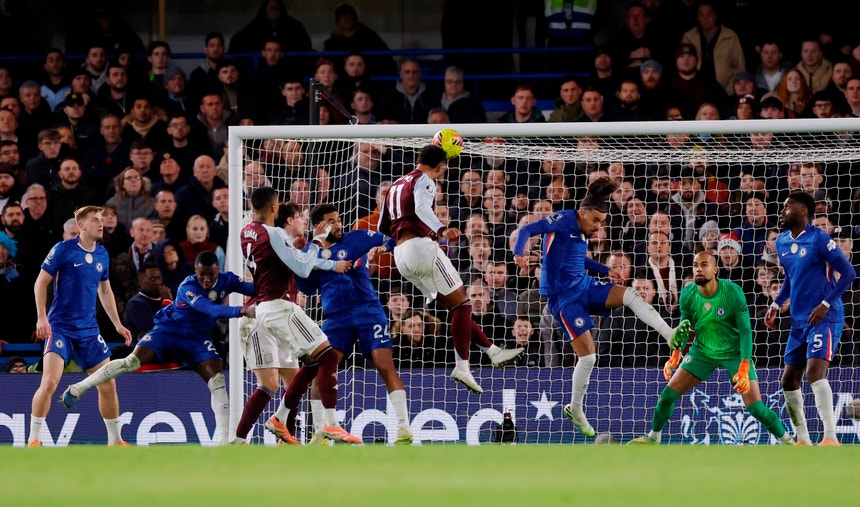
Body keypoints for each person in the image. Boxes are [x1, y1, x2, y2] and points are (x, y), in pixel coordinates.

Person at [512, 176, 690, 437]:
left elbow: (578, 259)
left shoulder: (582, 232)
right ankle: (575, 408)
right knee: (589, 357)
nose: (598, 227)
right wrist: (519, 252)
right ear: (582, 214)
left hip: (584, 286)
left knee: (630, 294)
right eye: (595, 221)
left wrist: (606, 269)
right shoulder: (562, 219)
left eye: (602, 222)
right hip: (564, 299)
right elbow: (527, 230)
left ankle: (669, 334)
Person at [60, 251, 255, 446]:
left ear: (218, 271)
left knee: (217, 380)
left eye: (210, 275)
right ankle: (78, 388)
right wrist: (242, 309)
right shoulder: (188, 286)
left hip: (197, 338)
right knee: (131, 362)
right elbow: (211, 309)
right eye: (201, 274)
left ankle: (223, 442)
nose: (205, 280)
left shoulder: (227, 279)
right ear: (195, 270)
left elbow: (253, 288)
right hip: (169, 330)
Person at [378, 145, 524, 394]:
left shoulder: (395, 186)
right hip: (421, 248)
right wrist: (442, 229)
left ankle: (493, 351)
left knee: (456, 307)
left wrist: (387, 245)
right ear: (440, 166)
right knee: (464, 305)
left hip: (401, 257)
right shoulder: (425, 180)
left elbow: (384, 224)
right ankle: (462, 366)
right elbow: (424, 209)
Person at [628, 251, 794, 446]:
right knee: (666, 396)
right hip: (702, 352)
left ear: (715, 269)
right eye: (696, 264)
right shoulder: (688, 294)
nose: (699, 268)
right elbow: (685, 328)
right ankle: (653, 437)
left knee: (756, 408)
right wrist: (676, 354)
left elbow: (746, 332)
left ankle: (787, 441)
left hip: (734, 353)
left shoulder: (732, 292)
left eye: (704, 264)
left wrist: (744, 366)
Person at [236, 189, 359, 445]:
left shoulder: (247, 232)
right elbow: (302, 266)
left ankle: (280, 420)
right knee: (327, 355)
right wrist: (317, 240)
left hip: (270, 308)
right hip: (279, 307)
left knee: (312, 363)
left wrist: (318, 259)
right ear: (274, 207)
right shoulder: (274, 234)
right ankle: (331, 424)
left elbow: (287, 261)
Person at [293, 204, 413, 445]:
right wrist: (297, 263)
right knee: (322, 371)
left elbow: (392, 236)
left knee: (383, 364)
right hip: (337, 318)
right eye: (331, 221)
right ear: (317, 226)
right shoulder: (309, 252)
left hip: (368, 311)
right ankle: (321, 432)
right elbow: (305, 287)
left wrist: (385, 247)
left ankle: (403, 428)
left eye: (338, 220)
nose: (338, 224)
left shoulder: (357, 237)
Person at [27, 206, 133, 447]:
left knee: (108, 383)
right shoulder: (63, 250)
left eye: (102, 219)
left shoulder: (103, 254)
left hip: (89, 332)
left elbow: (104, 290)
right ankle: (34, 438)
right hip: (60, 328)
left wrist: (117, 323)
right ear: (81, 226)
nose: (101, 223)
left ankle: (115, 441)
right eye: (95, 220)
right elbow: (40, 283)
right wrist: (41, 317)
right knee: (50, 382)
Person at [764, 191, 856, 446]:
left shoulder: (819, 239)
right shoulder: (781, 242)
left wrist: (826, 304)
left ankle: (830, 437)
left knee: (815, 373)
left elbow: (848, 272)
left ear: (803, 211)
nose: (782, 211)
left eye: (787, 207)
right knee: (788, 379)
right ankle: (802, 438)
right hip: (798, 320)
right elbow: (791, 278)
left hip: (825, 317)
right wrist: (775, 303)